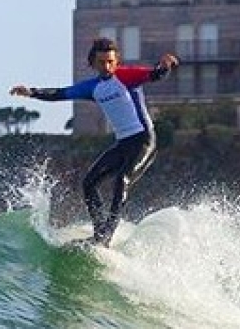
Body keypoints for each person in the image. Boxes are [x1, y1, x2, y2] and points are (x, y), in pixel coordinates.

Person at [11, 37, 179, 246]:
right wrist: (32, 92)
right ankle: (99, 230)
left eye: (110, 62)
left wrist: (164, 66)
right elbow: (61, 93)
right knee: (89, 183)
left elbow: (154, 75)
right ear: (93, 63)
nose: (107, 67)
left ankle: (107, 234)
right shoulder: (92, 88)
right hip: (123, 144)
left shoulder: (126, 76)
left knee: (122, 180)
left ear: (116, 61)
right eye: (101, 62)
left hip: (144, 140)